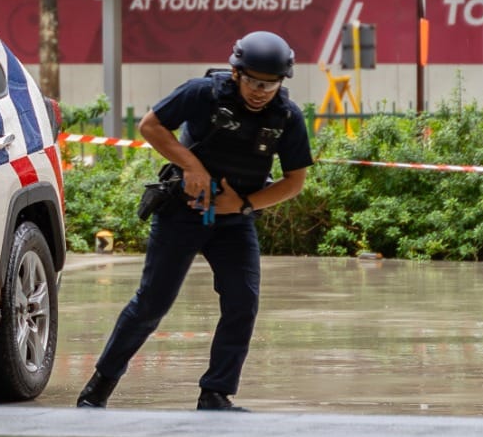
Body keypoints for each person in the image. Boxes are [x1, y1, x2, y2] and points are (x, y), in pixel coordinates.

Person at [76, 30, 314, 412]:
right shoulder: (202, 93)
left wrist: (245, 205)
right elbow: (150, 125)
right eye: (253, 81)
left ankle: (216, 394)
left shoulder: (287, 117)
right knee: (152, 303)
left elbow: (294, 182)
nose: (260, 91)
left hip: (235, 222)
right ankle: (98, 387)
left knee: (242, 302)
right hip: (181, 213)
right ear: (236, 73)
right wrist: (192, 166)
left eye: (270, 84)